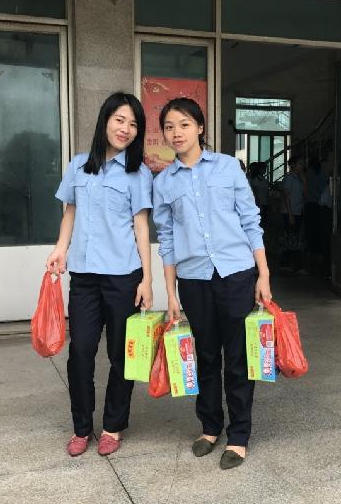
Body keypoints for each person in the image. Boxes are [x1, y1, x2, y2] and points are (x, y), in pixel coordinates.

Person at [153, 97, 272, 470]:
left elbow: (250, 220)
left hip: (236, 274)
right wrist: (170, 293)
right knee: (205, 356)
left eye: (184, 124)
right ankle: (209, 427)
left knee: (237, 358)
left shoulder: (227, 167)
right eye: (169, 127)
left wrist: (264, 273)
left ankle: (239, 435)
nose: (177, 133)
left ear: (200, 127)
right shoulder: (164, 182)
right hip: (194, 279)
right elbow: (166, 239)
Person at [46, 92, 153, 458]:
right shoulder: (79, 166)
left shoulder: (138, 173)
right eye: (120, 120)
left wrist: (147, 279)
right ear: (105, 120)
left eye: (133, 124)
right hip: (85, 277)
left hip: (123, 275)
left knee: (121, 355)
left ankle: (112, 426)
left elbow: (141, 226)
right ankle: (81, 427)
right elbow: (70, 213)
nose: (126, 129)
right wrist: (60, 248)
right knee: (80, 351)